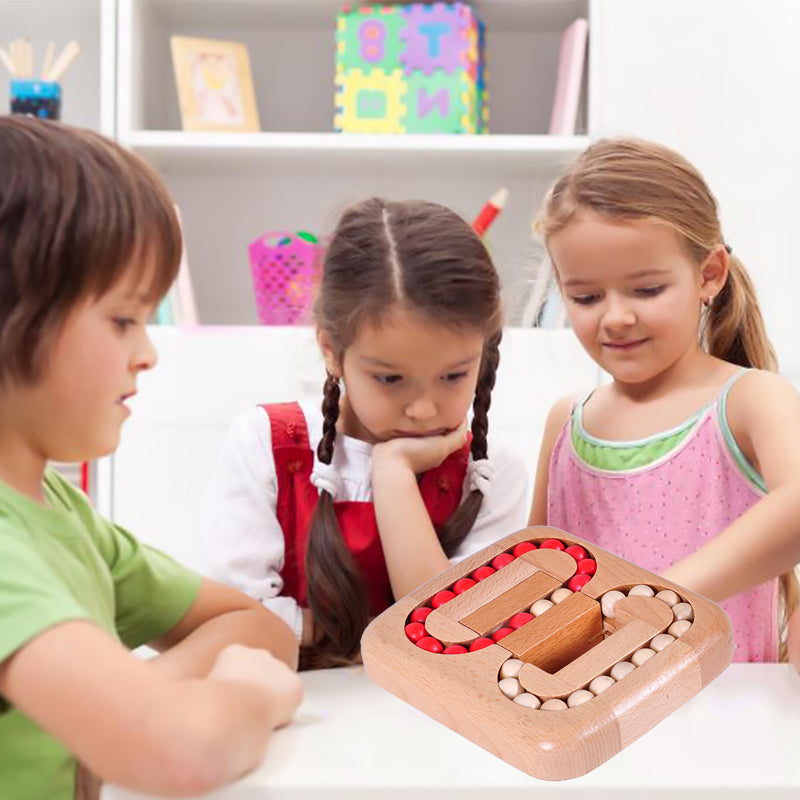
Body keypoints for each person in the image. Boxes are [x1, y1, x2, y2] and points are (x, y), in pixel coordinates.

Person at [0, 116, 303, 800]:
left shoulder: (62, 514)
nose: (149, 352)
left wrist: (137, 699)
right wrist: (237, 696)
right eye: (122, 319)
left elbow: (260, 627)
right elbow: (178, 754)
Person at [202, 197, 529, 669]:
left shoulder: (490, 472)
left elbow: (456, 639)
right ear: (331, 351)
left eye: (454, 376)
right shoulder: (267, 444)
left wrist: (393, 473)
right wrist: (376, 637)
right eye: (390, 379)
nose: (422, 409)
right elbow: (232, 617)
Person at [529, 138, 800, 665]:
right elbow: (538, 575)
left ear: (709, 275)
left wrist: (655, 599)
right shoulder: (566, 422)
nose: (615, 317)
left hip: (728, 718)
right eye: (585, 297)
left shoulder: (749, 399)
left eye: (647, 290)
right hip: (592, 725)